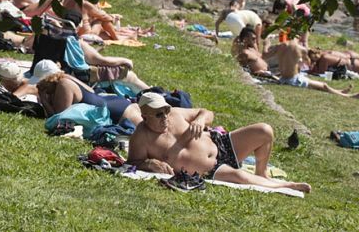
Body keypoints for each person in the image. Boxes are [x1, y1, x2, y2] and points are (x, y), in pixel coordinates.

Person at [126, 92, 311, 192]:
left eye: (166, 110)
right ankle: (286, 186)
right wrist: (150, 163)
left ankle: (261, 173)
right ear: (145, 116)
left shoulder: (174, 113)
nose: (165, 116)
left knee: (264, 130)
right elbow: (132, 163)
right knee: (242, 178)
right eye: (159, 114)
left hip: (221, 143)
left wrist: (200, 120)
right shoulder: (141, 137)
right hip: (210, 169)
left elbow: (207, 113)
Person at [32, 60, 143, 125]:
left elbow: (59, 119)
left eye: (41, 84)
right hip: (117, 103)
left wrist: (43, 99)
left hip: (119, 112)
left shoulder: (63, 85)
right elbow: (90, 91)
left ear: (49, 80)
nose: (39, 87)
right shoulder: (67, 77)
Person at [262, 36, 359, 98]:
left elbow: (264, 56)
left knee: (322, 85)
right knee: (323, 86)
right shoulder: (301, 49)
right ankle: (349, 96)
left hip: (283, 79)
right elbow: (308, 63)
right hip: (293, 81)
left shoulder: (280, 46)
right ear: (298, 37)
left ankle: (339, 92)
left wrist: (266, 44)